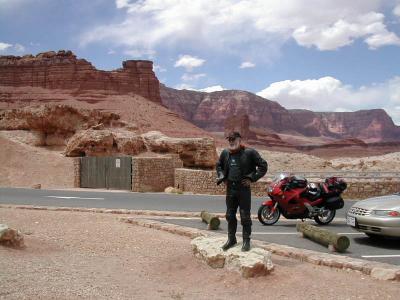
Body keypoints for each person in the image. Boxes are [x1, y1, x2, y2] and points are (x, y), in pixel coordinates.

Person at [216, 131, 268, 251]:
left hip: (243, 189)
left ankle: (246, 241)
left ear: (239, 140)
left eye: (233, 139)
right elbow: (218, 165)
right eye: (229, 139)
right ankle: (231, 239)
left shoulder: (249, 153)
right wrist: (222, 176)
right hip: (230, 189)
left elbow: (263, 166)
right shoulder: (225, 153)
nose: (231, 141)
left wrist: (252, 178)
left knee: (245, 216)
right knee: (230, 215)